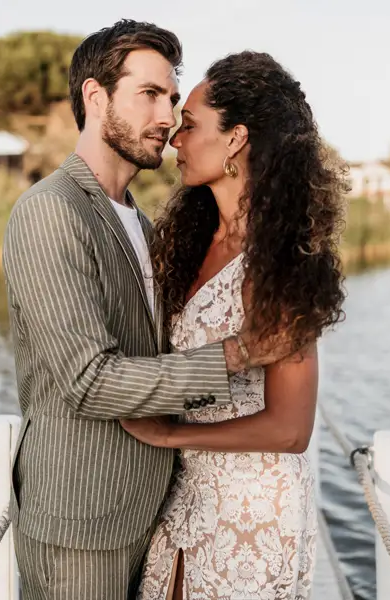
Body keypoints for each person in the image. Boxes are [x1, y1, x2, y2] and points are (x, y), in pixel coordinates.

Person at [0, 20, 292, 600]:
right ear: (94, 96)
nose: (167, 116)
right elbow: (88, 380)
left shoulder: (142, 222)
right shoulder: (50, 212)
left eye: (173, 98)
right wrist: (236, 354)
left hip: (152, 522)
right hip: (80, 531)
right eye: (149, 94)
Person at [119, 50, 348, 599]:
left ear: (236, 139)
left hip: (253, 511)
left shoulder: (281, 258)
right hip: (185, 498)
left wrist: (171, 434)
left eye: (190, 125)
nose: (175, 138)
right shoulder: (189, 243)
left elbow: (291, 430)